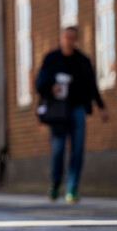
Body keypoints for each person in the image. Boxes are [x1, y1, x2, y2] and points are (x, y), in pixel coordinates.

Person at [35, 26, 108, 203]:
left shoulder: (83, 61)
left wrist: (101, 106)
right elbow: (39, 82)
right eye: (66, 37)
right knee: (58, 149)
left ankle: (72, 188)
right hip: (58, 111)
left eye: (72, 38)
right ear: (61, 38)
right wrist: (52, 87)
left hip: (77, 108)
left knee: (77, 149)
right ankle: (55, 183)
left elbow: (92, 85)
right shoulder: (51, 59)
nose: (69, 41)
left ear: (77, 40)